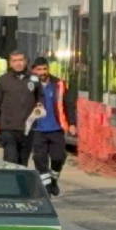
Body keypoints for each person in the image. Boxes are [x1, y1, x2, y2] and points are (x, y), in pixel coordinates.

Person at [30, 57, 76, 196]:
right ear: (34, 70)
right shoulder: (29, 85)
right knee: (39, 158)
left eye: (44, 69)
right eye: (39, 70)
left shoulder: (59, 84)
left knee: (58, 157)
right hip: (37, 129)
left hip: (56, 127)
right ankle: (47, 187)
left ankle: (53, 180)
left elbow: (69, 105)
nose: (42, 72)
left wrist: (72, 123)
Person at [0, 51, 41, 166]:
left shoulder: (34, 79)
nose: (18, 63)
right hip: (8, 128)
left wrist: (40, 107)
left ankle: (22, 184)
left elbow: (41, 98)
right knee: (11, 160)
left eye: (21, 60)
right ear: (10, 63)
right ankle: (10, 183)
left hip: (28, 128)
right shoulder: (4, 80)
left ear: (26, 61)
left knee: (23, 163)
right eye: (15, 61)